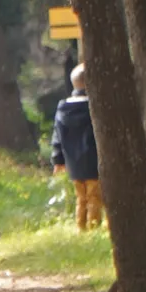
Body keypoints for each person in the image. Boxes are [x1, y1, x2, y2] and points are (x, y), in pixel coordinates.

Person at [52, 63, 104, 230]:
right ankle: (94, 227)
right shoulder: (95, 107)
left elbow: (57, 137)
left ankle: (81, 227)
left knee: (81, 197)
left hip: (73, 161)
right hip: (94, 159)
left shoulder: (63, 108)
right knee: (95, 196)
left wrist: (58, 160)